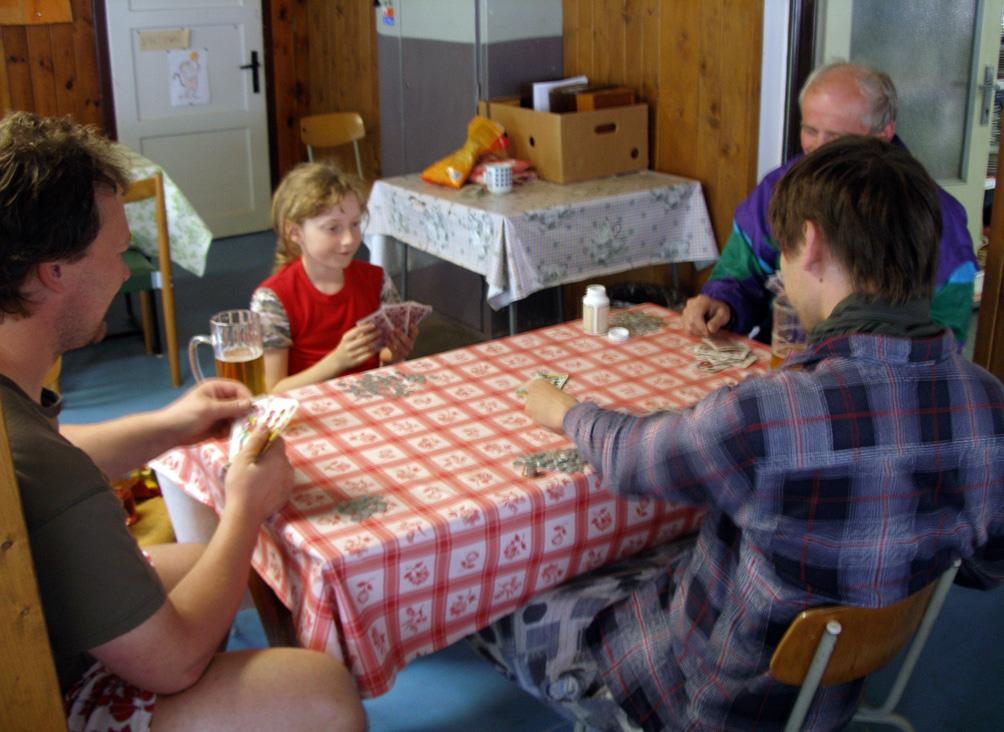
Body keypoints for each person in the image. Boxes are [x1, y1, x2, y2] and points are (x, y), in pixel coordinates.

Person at [468, 136, 1004, 731]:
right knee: (675, 546)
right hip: (833, 685)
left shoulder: (774, 411)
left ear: (814, 245)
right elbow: (989, 562)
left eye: (783, 252)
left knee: (499, 602)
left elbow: (632, 459)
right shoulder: (989, 401)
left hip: (710, 701)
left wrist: (563, 410)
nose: (779, 269)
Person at [0, 112, 366, 731]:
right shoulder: (49, 472)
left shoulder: (21, 422)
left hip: (33, 620)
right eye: (118, 253)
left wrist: (173, 423)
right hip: (32, 691)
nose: (125, 271)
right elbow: (171, 664)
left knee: (198, 562)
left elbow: (52, 456)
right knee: (323, 690)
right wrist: (244, 506)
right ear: (53, 272)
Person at [682, 61, 978, 348]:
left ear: (883, 133)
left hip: (881, 380)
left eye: (836, 136)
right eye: (810, 130)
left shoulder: (935, 215)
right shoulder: (778, 190)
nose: (818, 148)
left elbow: (944, 335)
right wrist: (722, 303)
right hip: (785, 362)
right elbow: (740, 273)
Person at [251, 161, 417, 392]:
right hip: (309, 414)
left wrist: (393, 355)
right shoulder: (273, 300)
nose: (349, 239)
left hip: (368, 402)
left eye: (355, 224)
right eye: (332, 228)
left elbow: (385, 366)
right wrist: (337, 361)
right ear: (295, 232)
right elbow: (272, 391)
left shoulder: (377, 280)